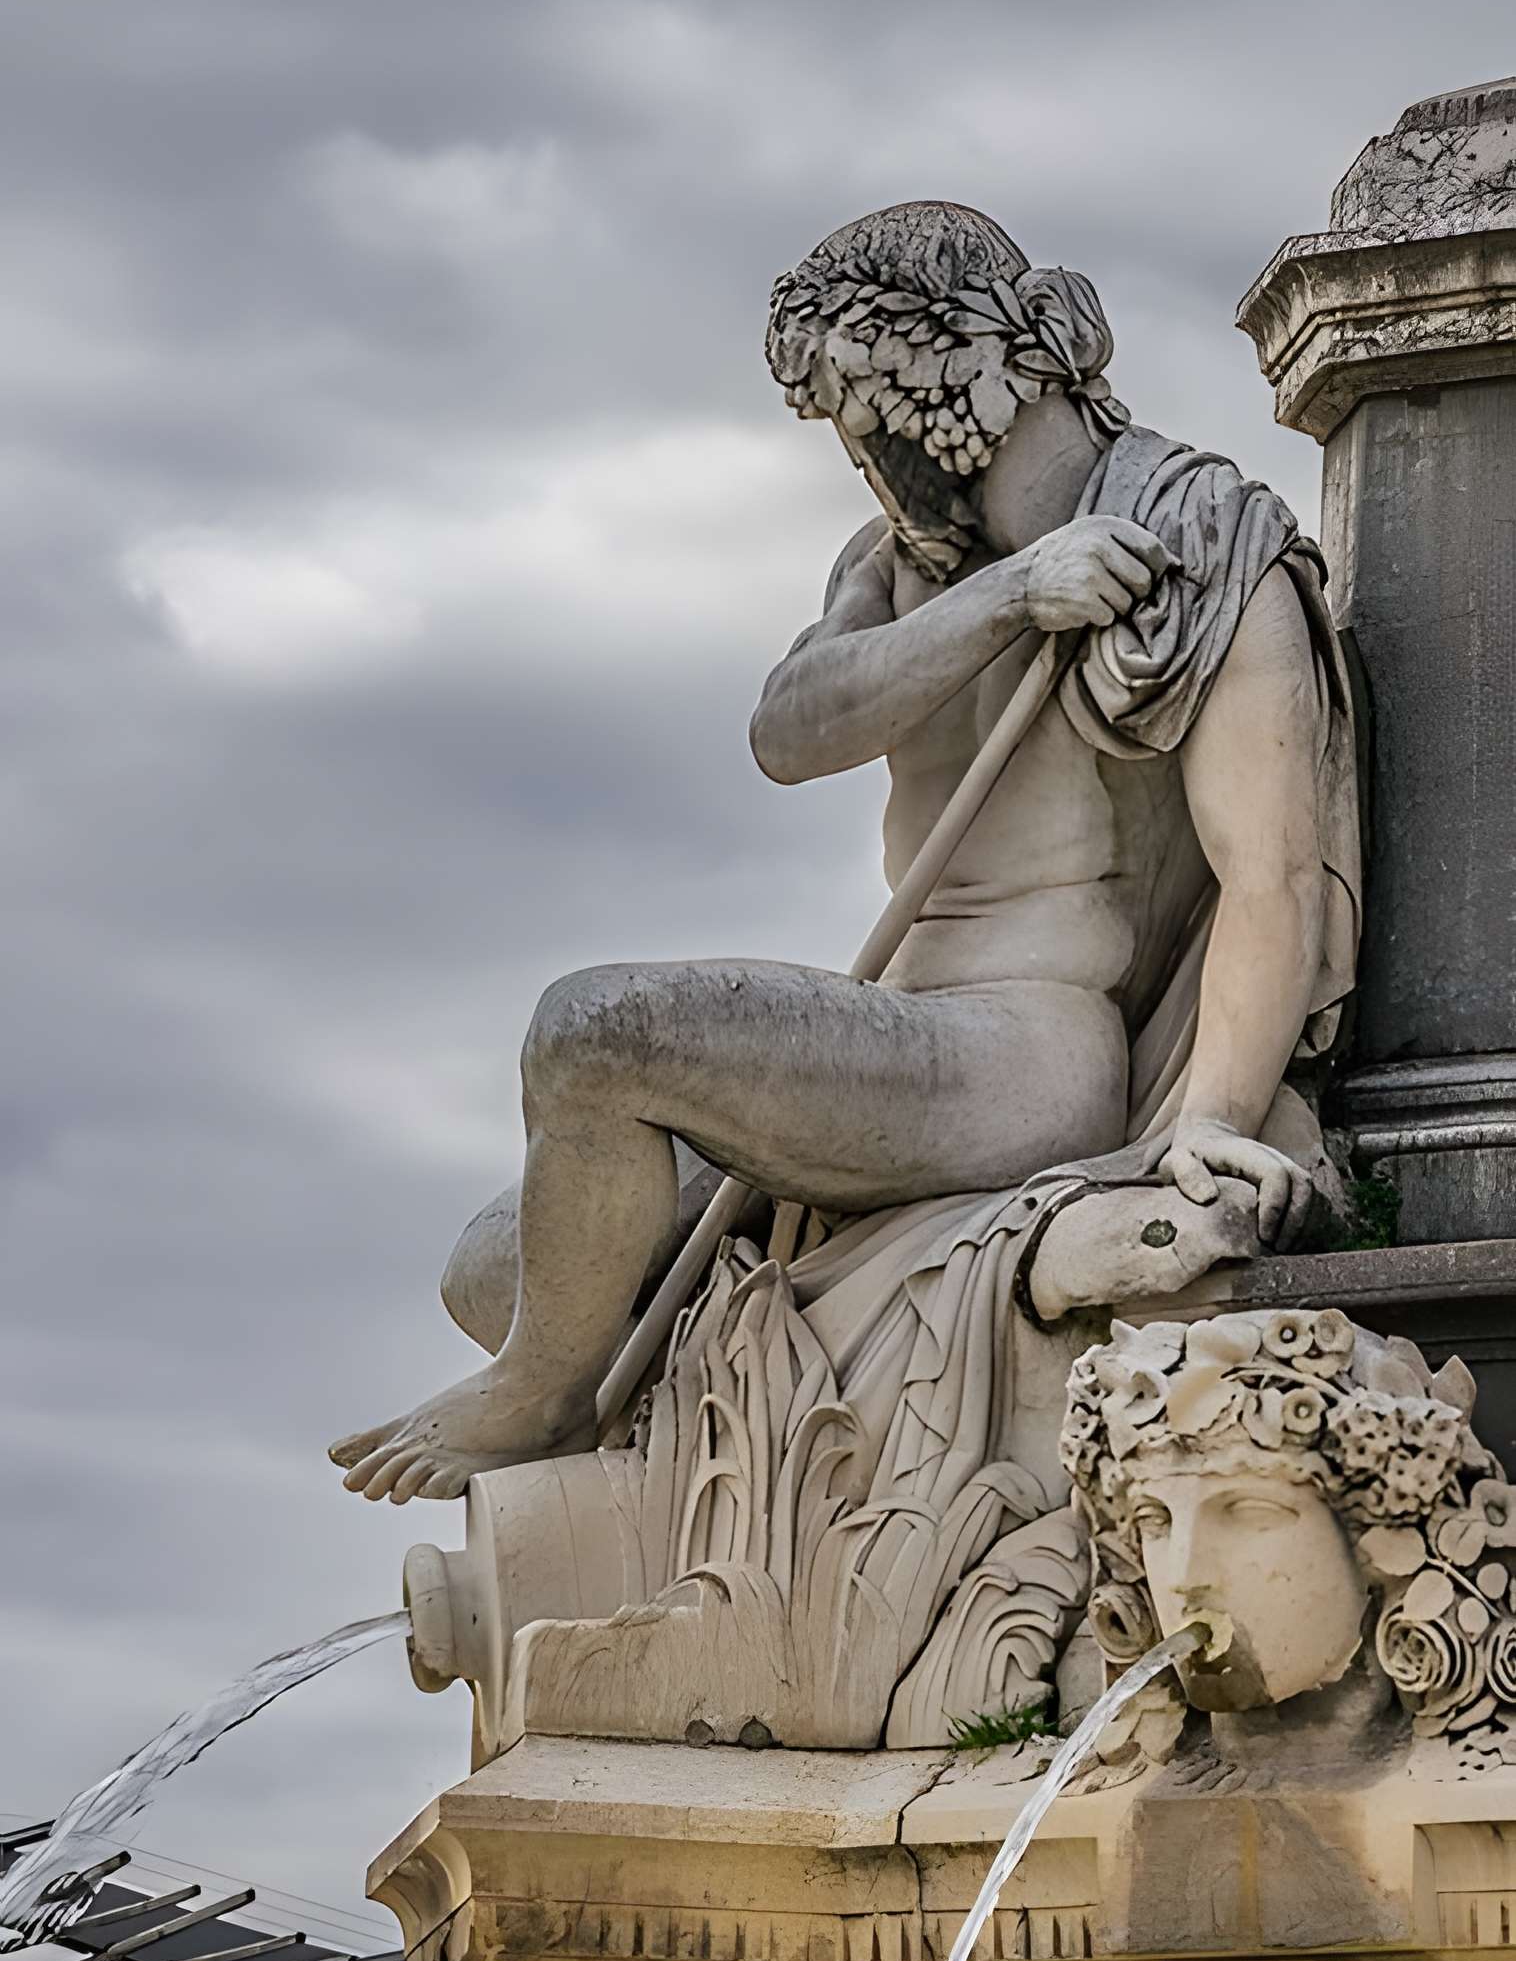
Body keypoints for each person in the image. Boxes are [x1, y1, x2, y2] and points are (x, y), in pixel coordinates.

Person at [331, 200, 1357, 1507]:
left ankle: (539, 1404)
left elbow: (1271, 874)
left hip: (1026, 1050)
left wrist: (1210, 1121)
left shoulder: (1202, 544)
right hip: (899, 1033)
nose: (877, 467)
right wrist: (1009, 593)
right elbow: (788, 728)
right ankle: (649, 1410)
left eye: (887, 419)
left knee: (591, 1033)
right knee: (499, 1264)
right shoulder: (904, 565)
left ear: (991, 373)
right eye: (856, 434)